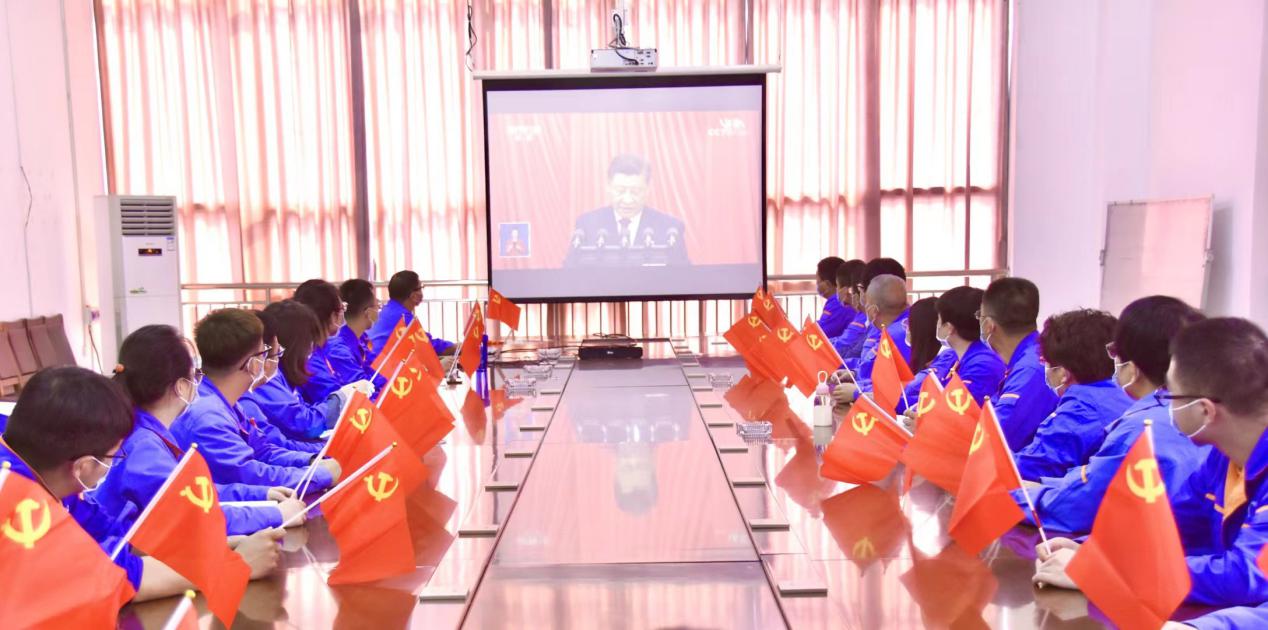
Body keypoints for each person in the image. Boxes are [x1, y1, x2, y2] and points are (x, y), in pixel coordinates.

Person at [1034, 318, 1268, 609]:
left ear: (1205, 411)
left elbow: (1245, 576)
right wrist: (1093, 551)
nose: (1162, 403)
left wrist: (1103, 573)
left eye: (1170, 394)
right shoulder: (1223, 458)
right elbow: (1170, 524)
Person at [0, 366, 283, 603]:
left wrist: (219, 546)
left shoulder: (47, 473)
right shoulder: (15, 502)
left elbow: (115, 540)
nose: (114, 464)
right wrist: (232, 567)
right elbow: (106, 577)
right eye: (114, 456)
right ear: (83, 466)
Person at [1017, 296, 1210, 548]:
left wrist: (1012, 496)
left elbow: (1077, 505)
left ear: (1132, 365)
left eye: (1115, 352)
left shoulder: (1139, 426)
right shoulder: (1189, 412)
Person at [96, 325, 306, 536]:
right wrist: (277, 515)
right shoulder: (144, 449)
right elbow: (198, 516)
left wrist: (262, 494)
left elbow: (196, 493)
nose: (198, 384)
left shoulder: (145, 433)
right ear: (181, 386)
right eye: (195, 376)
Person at [171, 308, 342, 492]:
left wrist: (312, 460)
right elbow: (250, 476)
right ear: (253, 363)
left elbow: (263, 452)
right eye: (265, 353)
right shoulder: (207, 417)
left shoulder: (227, 403)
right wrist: (319, 475)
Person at [1012, 309, 1134, 480]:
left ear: (1063, 373)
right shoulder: (1123, 398)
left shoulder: (1079, 412)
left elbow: (1030, 468)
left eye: (1045, 361)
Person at [240, 302, 354, 450]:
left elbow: (270, 447)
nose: (312, 348)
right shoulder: (263, 382)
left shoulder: (274, 375)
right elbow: (304, 426)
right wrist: (342, 398)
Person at [978, 277, 1059, 451]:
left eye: (980, 316)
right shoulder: (1030, 356)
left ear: (988, 325)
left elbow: (994, 439)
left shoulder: (1030, 369)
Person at [563, 154, 689, 266]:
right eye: (620, 191)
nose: (627, 200)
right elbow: (569, 272)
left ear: (647, 190)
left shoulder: (669, 229)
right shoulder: (587, 225)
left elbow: (683, 277)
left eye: (635, 192)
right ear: (608, 187)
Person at [831, 274, 911, 404]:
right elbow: (873, 365)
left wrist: (858, 391)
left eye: (866, 304)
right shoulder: (896, 326)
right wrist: (854, 373)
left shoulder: (896, 334)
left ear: (873, 310)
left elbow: (889, 382)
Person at [366, 270, 455, 364]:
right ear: (413, 296)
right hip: (384, 368)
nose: (421, 292)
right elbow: (428, 346)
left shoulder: (387, 311)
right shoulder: (403, 318)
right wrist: (457, 348)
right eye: (420, 288)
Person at [833, 257, 906, 360]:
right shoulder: (877, 323)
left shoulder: (899, 330)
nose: (860, 295)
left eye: (861, 289)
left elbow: (864, 361)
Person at [292, 279, 348, 403]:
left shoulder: (318, 348)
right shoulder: (309, 358)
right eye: (342, 308)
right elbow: (335, 401)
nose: (343, 314)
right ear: (333, 316)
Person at [327, 279, 381, 386]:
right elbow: (363, 387)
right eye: (377, 307)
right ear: (368, 313)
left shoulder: (363, 339)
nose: (379, 310)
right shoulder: (339, 350)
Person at [830, 259, 868, 359]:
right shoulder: (860, 314)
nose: (837, 291)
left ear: (847, 290)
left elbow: (842, 349)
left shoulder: (864, 318)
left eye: (838, 286)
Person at [815, 256, 850, 338]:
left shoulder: (836, 303)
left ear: (827, 284)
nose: (816, 284)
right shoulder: (839, 301)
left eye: (817, 280)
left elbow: (819, 332)